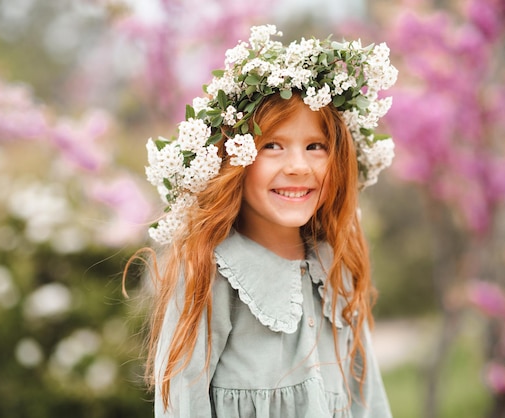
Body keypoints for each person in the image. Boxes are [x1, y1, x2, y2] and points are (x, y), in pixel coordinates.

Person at [129, 24, 398, 418]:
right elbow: (183, 405)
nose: (297, 166)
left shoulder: (334, 261)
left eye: (315, 146)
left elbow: (368, 399)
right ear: (234, 158)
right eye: (272, 145)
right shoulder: (209, 271)